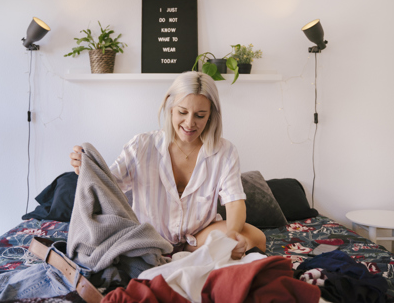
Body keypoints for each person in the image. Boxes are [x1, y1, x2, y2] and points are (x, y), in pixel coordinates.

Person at [70, 71, 266, 260]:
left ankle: (189, 256)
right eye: (182, 112)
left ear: (210, 116)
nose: (190, 123)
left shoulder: (225, 151)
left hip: (197, 239)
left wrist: (232, 234)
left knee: (256, 239)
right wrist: (86, 170)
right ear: (170, 107)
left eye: (200, 115)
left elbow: (235, 202)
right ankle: (189, 258)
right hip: (148, 239)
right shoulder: (141, 145)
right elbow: (108, 185)